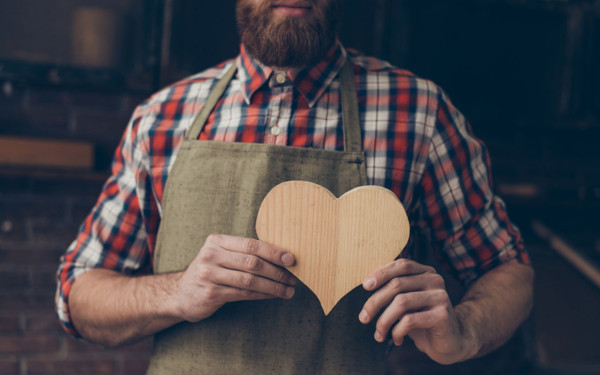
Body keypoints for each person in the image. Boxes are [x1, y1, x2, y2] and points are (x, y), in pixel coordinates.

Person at [56, 0, 534, 374]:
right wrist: (176, 292)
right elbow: (79, 292)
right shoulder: (160, 118)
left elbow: (507, 269)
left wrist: (464, 332)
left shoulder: (420, 114)